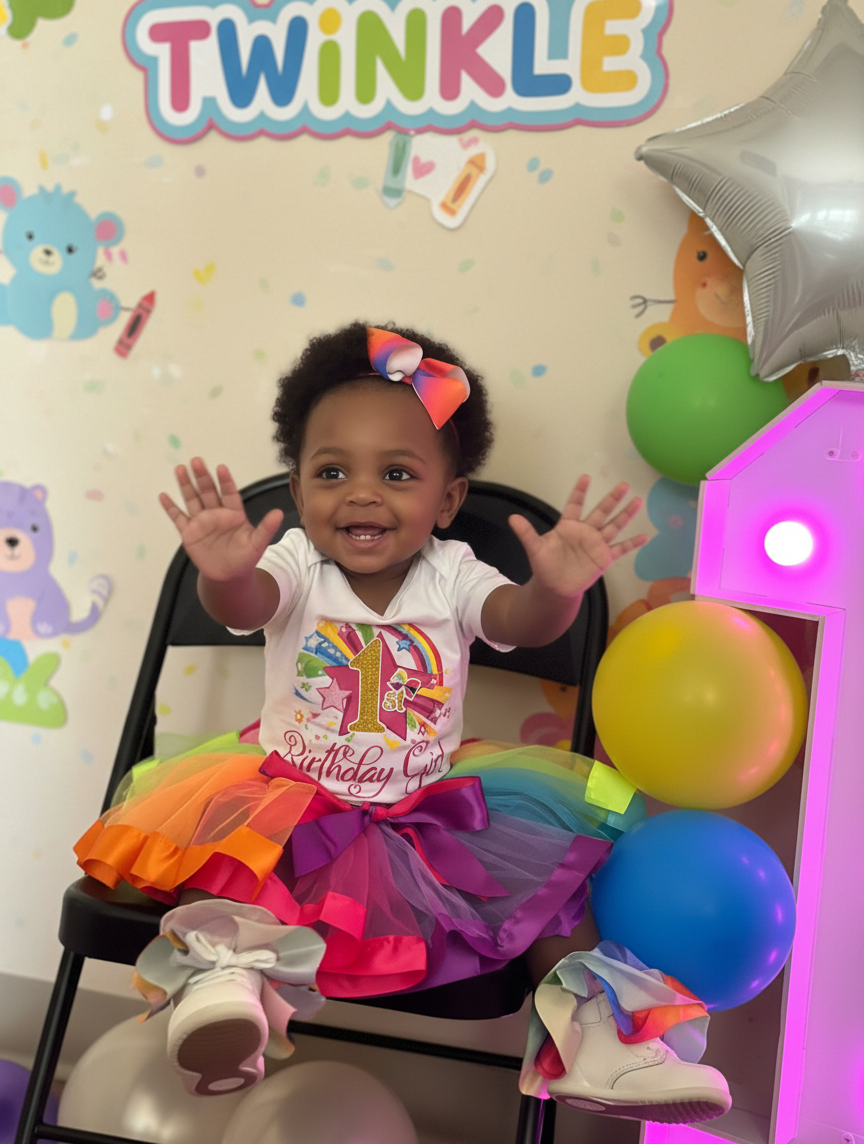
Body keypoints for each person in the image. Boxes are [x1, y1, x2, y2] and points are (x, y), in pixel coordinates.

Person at [75, 323, 731, 1123]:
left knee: (553, 896)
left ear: (447, 499)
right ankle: (225, 991)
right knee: (237, 859)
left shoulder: (453, 573)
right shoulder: (293, 563)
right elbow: (247, 606)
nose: (361, 493)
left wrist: (555, 591)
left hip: (425, 813)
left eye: (396, 473)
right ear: (298, 491)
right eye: (332, 472)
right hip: (290, 798)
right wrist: (227, 575)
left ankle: (600, 1039)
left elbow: (519, 620)